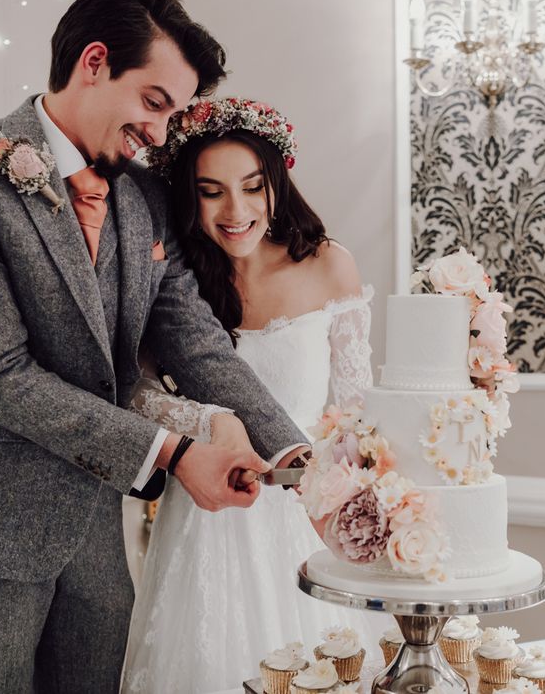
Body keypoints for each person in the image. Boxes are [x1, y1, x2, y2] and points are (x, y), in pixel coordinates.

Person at [0, 0, 309, 692]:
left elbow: (195, 343)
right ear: (94, 62)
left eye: (172, 114)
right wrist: (173, 453)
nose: (160, 133)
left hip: (98, 544)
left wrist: (293, 451)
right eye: (154, 101)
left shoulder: (145, 198)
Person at [122, 98, 380, 693]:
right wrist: (208, 422)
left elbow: (358, 414)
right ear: (188, 198)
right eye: (211, 191)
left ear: (276, 185)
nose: (236, 211)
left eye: (252, 187)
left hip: (306, 514)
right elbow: (134, 392)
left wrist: (355, 505)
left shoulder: (327, 266)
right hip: (206, 516)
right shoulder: (170, 283)